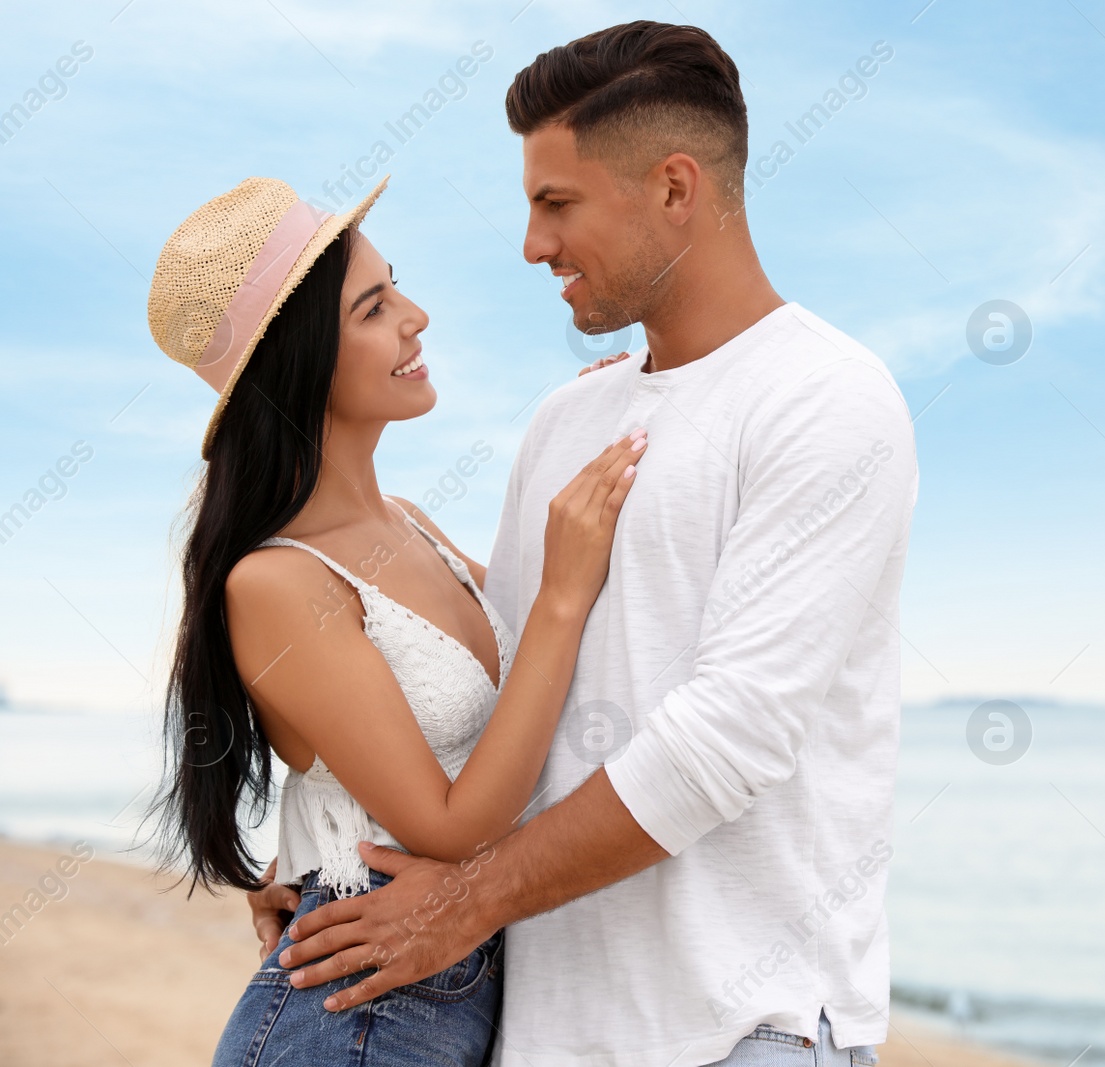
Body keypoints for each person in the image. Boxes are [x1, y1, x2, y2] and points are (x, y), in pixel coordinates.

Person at [265, 21, 919, 1067]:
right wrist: (333, 863)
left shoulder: (825, 401)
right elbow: (500, 698)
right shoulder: (564, 424)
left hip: (746, 1029)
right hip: (545, 1035)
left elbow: (729, 737)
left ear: (673, 187)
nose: (532, 243)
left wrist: (462, 904)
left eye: (555, 203)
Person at [147, 173, 649, 1066]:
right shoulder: (276, 581)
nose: (417, 317)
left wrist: (603, 416)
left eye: (395, 287)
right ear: (297, 363)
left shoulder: (412, 522)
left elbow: (569, 629)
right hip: (361, 1020)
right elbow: (448, 826)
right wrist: (562, 598)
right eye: (374, 307)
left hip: (434, 992)